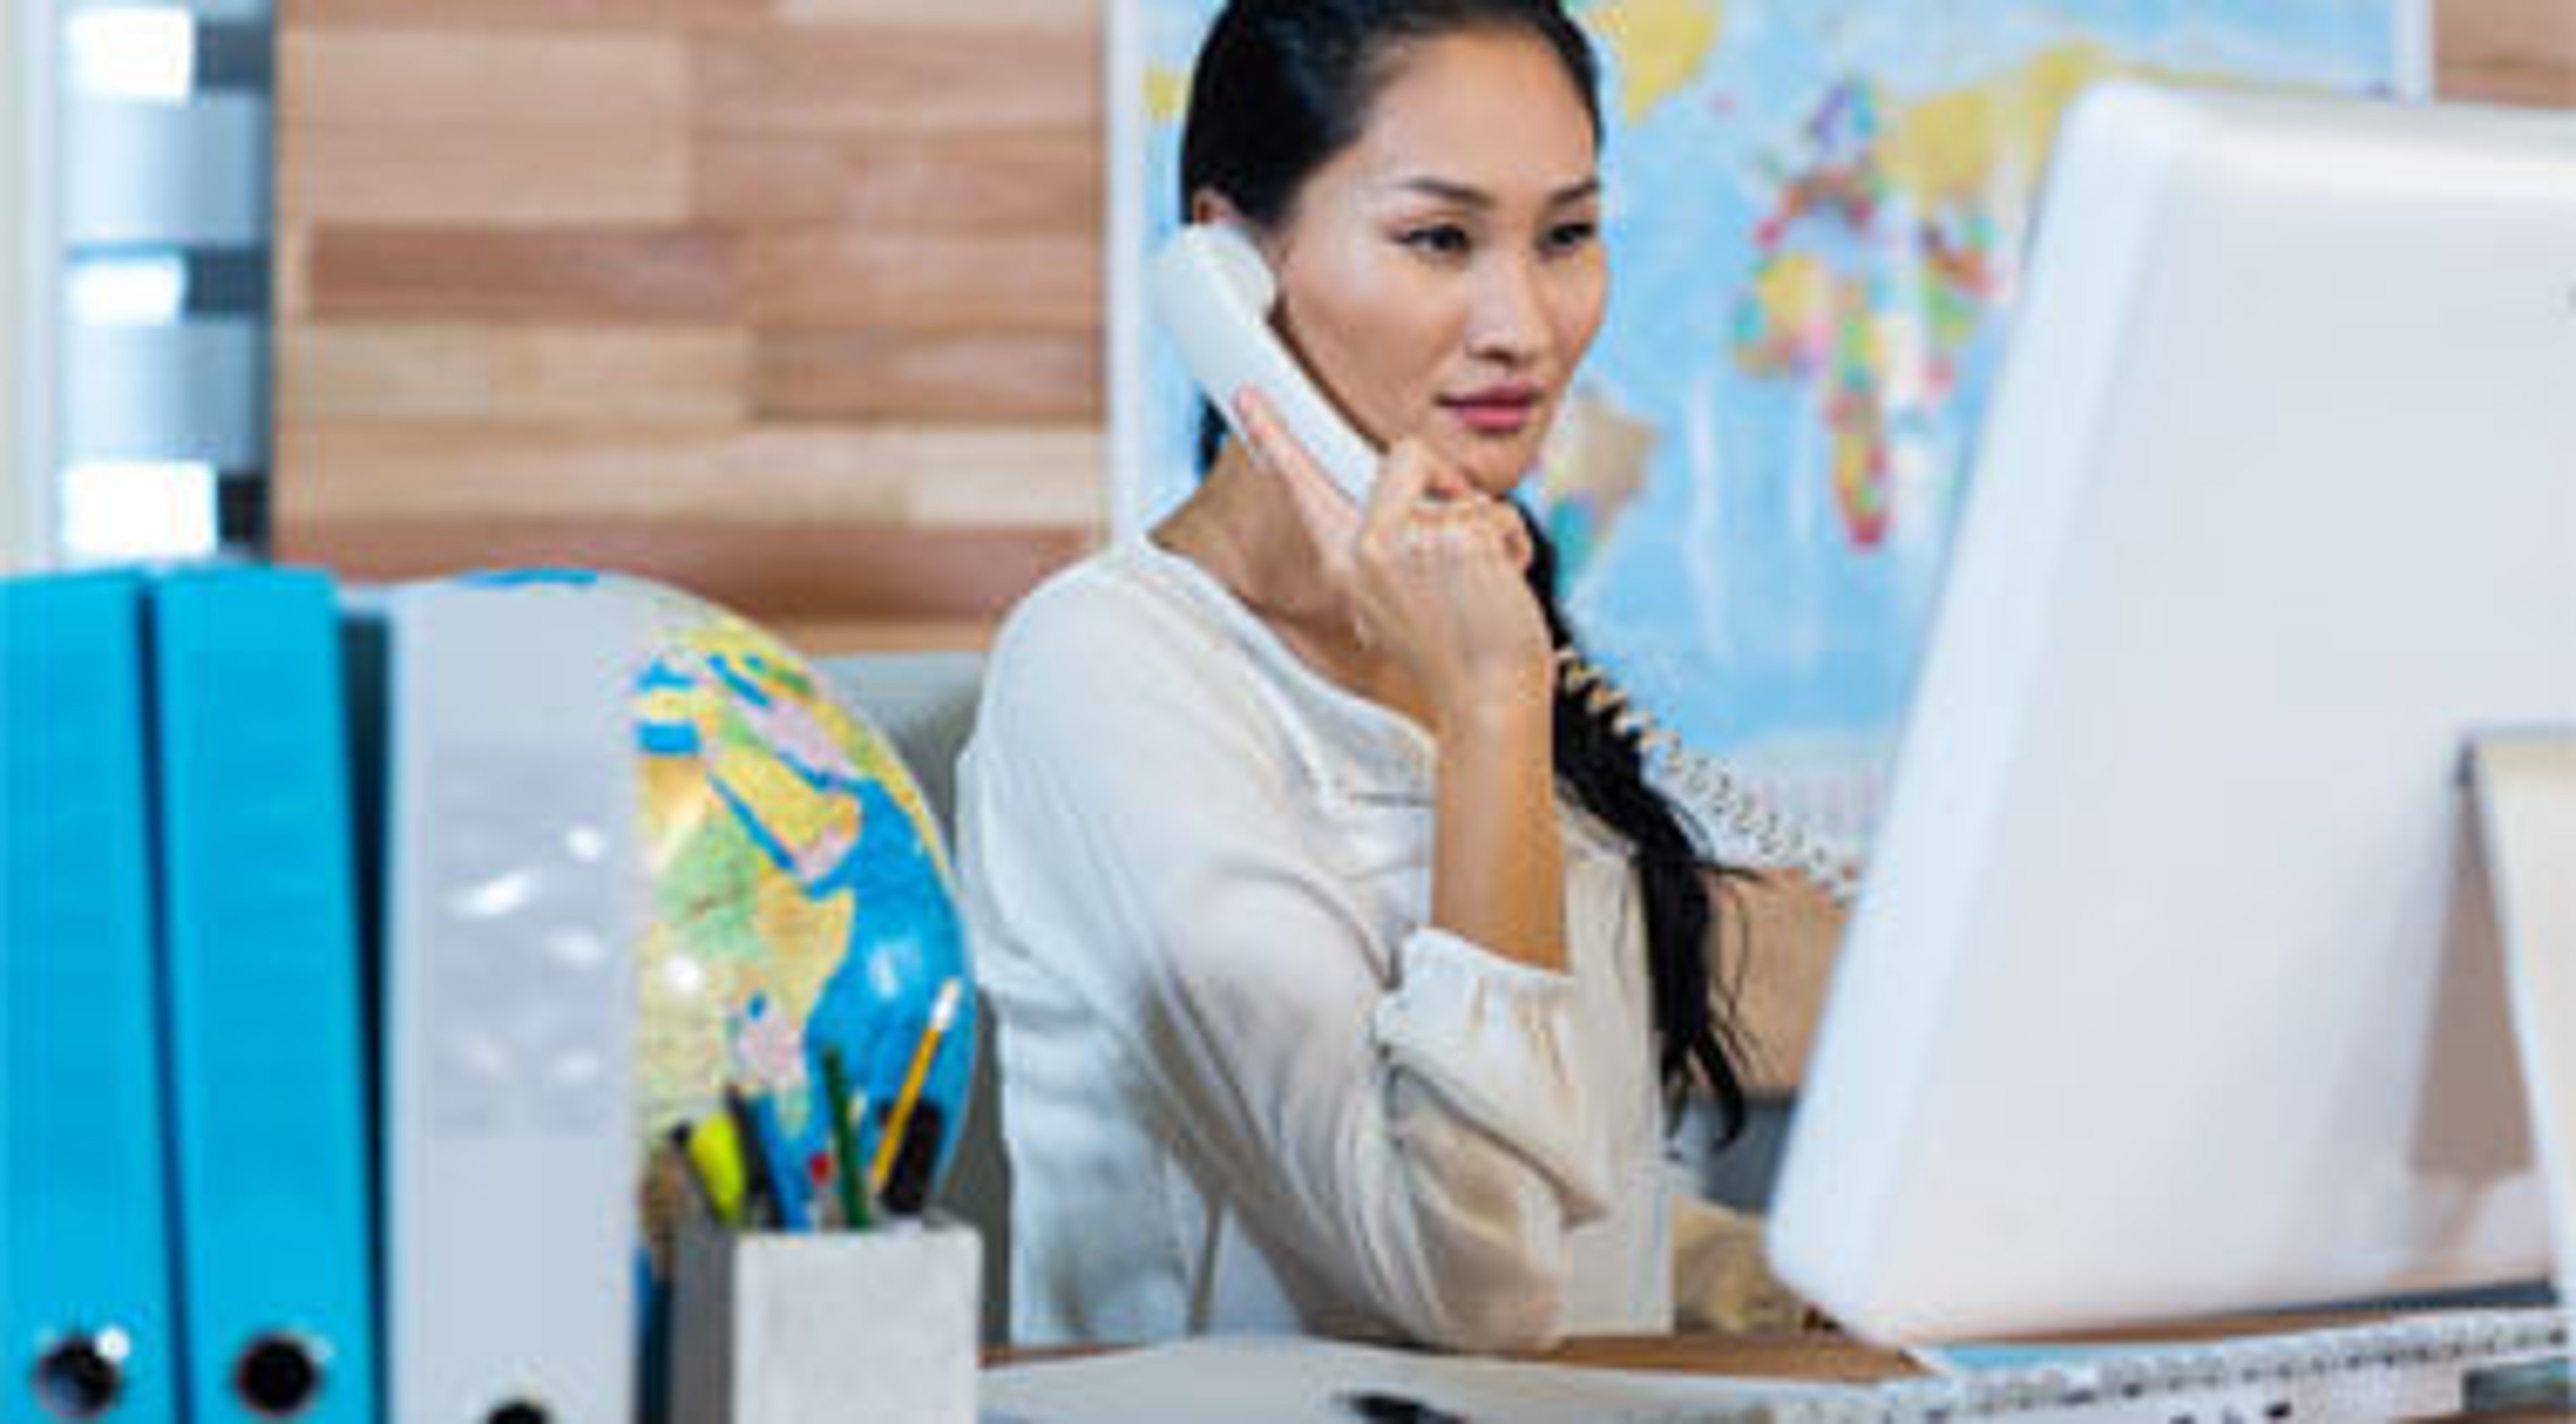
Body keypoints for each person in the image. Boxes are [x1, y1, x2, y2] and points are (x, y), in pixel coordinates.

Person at [957, 0, 1807, 1351]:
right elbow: (1471, 1283)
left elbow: (1557, 1197)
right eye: (1439, 239)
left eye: (1568, 235)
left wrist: (1771, 1271)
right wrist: (1487, 713)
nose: (1524, 324)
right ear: (1225, 272)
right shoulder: (1109, 669)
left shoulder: (1492, 635)